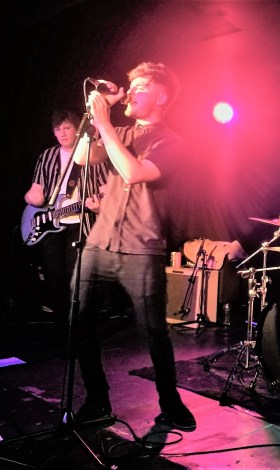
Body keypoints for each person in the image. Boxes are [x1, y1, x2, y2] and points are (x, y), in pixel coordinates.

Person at [72, 62, 196, 431]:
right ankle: (97, 399)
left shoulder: (172, 142)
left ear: (162, 97)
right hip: (99, 242)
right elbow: (81, 157)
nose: (133, 91)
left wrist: (105, 124)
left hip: (142, 246)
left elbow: (134, 172)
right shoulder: (121, 132)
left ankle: (170, 402)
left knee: (153, 330)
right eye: (133, 85)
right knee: (79, 321)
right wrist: (98, 118)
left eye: (142, 86)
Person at [22, 109, 109, 331]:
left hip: (80, 224)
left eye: (67, 128)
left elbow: (107, 190)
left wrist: (101, 205)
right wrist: (31, 198)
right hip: (50, 225)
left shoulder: (92, 154)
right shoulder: (47, 155)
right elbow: (35, 189)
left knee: (76, 276)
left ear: (77, 129)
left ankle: (80, 326)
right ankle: (62, 325)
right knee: (54, 276)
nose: (62, 133)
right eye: (57, 129)